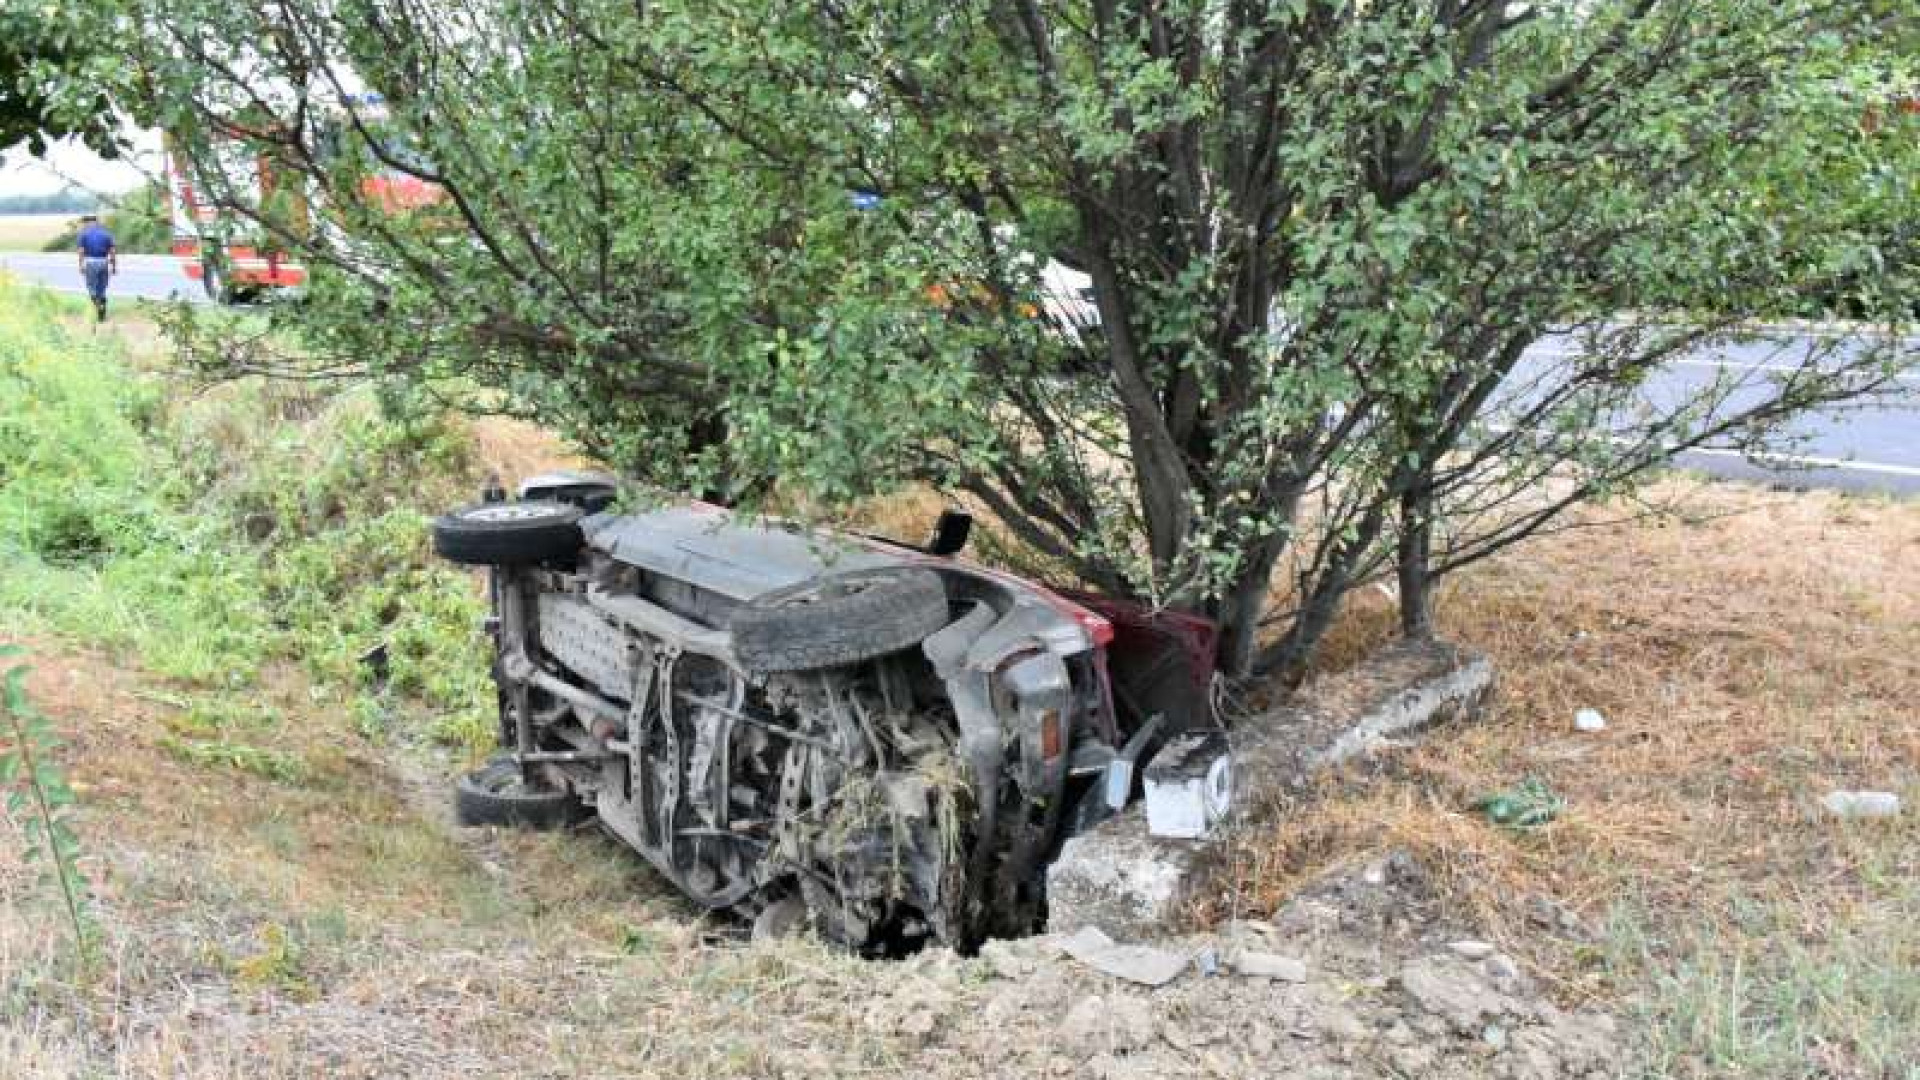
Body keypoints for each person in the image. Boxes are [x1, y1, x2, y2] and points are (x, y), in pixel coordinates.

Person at [75, 214, 117, 322]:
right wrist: (113, 266)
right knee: (102, 289)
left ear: (88, 222)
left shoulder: (83, 235)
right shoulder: (106, 234)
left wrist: (81, 265)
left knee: (92, 288)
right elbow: (112, 252)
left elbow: (81, 251)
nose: (84, 225)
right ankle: (102, 316)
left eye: (85, 222)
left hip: (90, 262)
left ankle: (95, 311)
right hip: (104, 262)